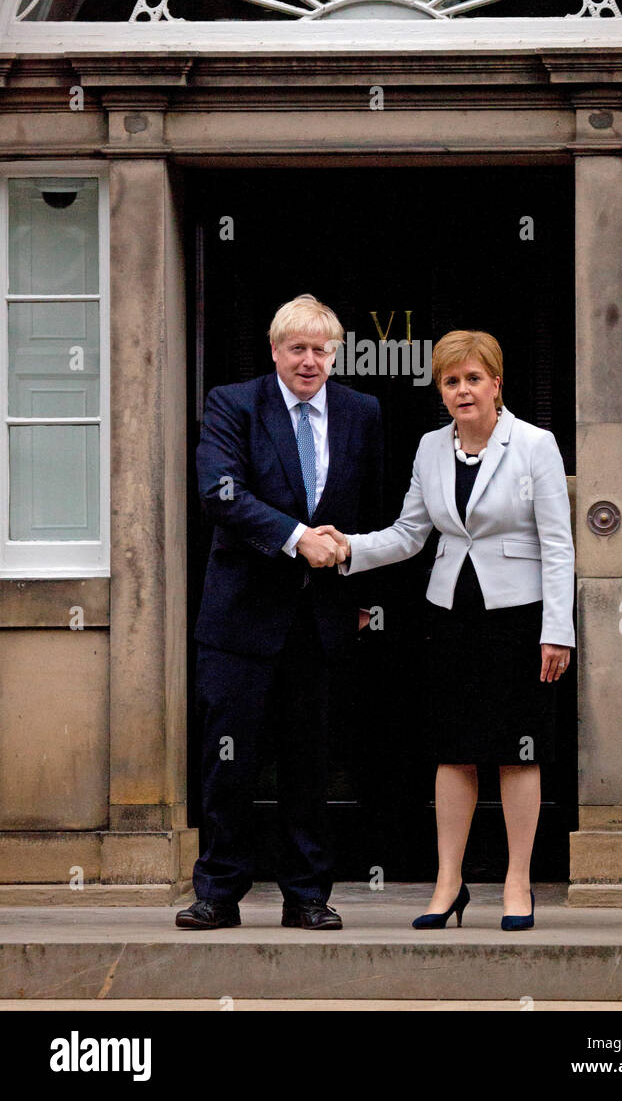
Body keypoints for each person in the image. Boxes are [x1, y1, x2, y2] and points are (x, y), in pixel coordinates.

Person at [318, 329, 574, 931]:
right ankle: (448, 883)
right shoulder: (431, 447)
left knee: (517, 752)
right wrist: (348, 547)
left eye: (473, 379)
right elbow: (410, 534)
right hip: (449, 616)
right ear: (440, 390)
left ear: (496, 384)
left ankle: (517, 882)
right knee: (453, 751)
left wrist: (557, 630)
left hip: (520, 617)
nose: (463, 390)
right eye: (451, 381)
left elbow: (558, 545)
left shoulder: (535, 445)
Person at [176, 294, 382, 930]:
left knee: (309, 764)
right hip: (240, 620)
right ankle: (218, 892)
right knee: (228, 762)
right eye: (297, 349)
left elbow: (372, 506)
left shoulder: (362, 412)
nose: (309, 361)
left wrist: (365, 599)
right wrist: (298, 538)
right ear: (275, 351)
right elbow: (220, 492)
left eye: (321, 350)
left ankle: (308, 895)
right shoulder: (233, 404)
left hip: (321, 621)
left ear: (335, 354)